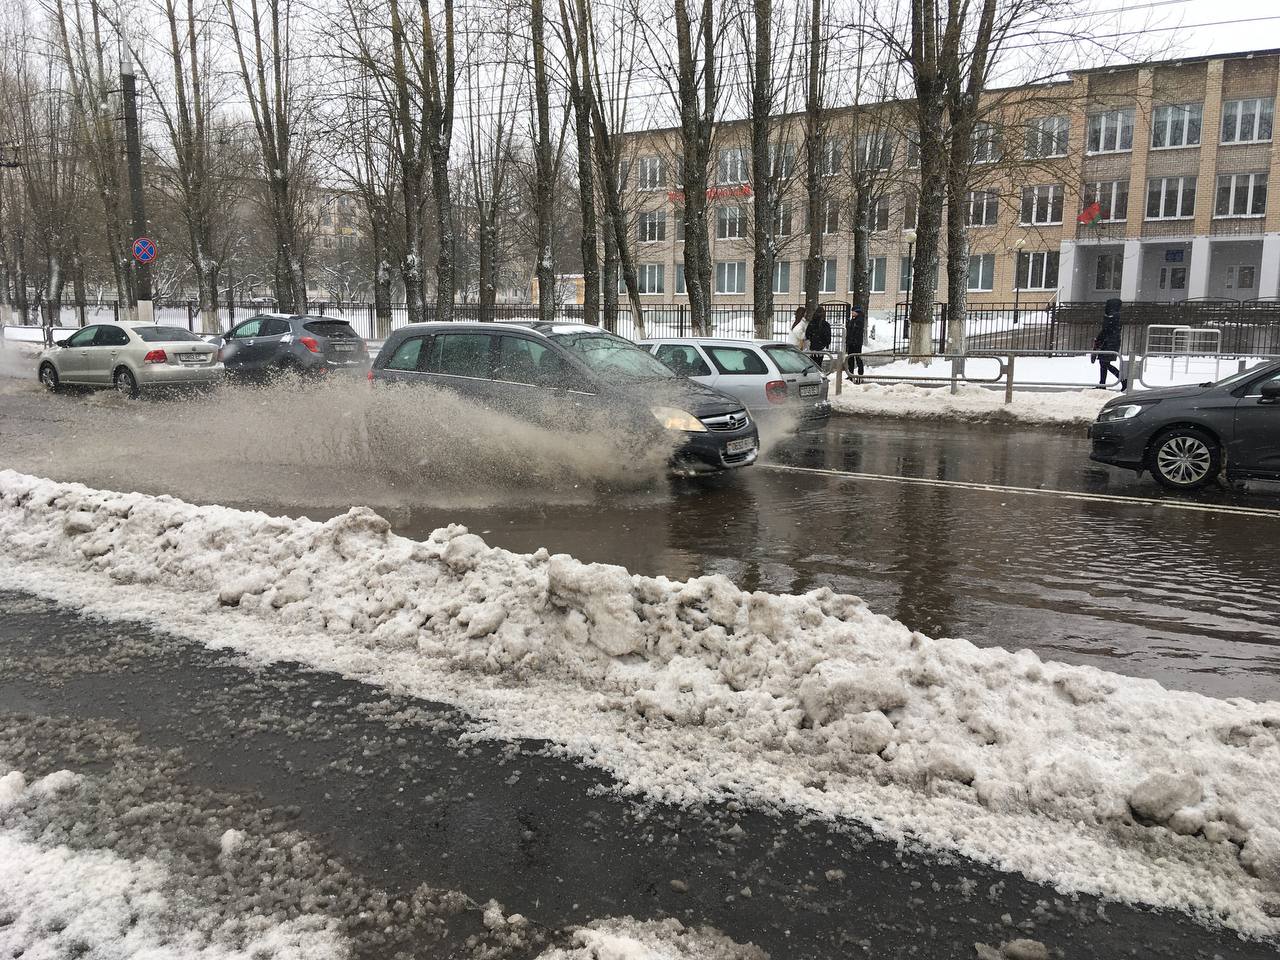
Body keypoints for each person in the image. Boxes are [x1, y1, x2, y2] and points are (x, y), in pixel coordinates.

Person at [1093, 297, 1124, 389]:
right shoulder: (1116, 316)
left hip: (1109, 343)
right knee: (1104, 363)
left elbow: (1105, 330)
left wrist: (1099, 340)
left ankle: (1122, 379)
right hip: (1112, 343)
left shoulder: (1111, 316)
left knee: (1104, 363)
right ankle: (1103, 383)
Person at [804, 305, 831, 370]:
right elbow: (827, 336)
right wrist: (827, 344)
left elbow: (807, 334)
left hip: (813, 346)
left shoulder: (811, 323)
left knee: (813, 363)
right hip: (821, 346)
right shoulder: (825, 324)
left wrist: (810, 341)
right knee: (819, 364)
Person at [844, 305, 867, 381]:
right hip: (852, 343)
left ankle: (860, 375)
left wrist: (852, 340)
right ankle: (851, 374)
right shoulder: (853, 320)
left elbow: (855, 332)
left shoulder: (859, 320)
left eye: (853, 312)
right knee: (851, 359)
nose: (852, 313)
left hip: (856, 343)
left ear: (857, 312)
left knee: (857, 358)